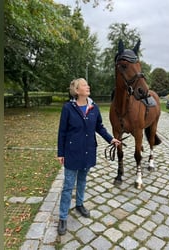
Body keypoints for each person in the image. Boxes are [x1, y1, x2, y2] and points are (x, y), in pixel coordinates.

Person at [57, 78, 121, 235]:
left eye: (87, 84)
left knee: (83, 180)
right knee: (68, 186)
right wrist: (61, 153)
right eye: (84, 85)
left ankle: (79, 204)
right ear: (77, 90)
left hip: (88, 151)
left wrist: (110, 139)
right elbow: (62, 132)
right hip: (72, 152)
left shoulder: (94, 107)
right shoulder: (68, 108)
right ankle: (63, 217)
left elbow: (99, 126)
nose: (88, 86)